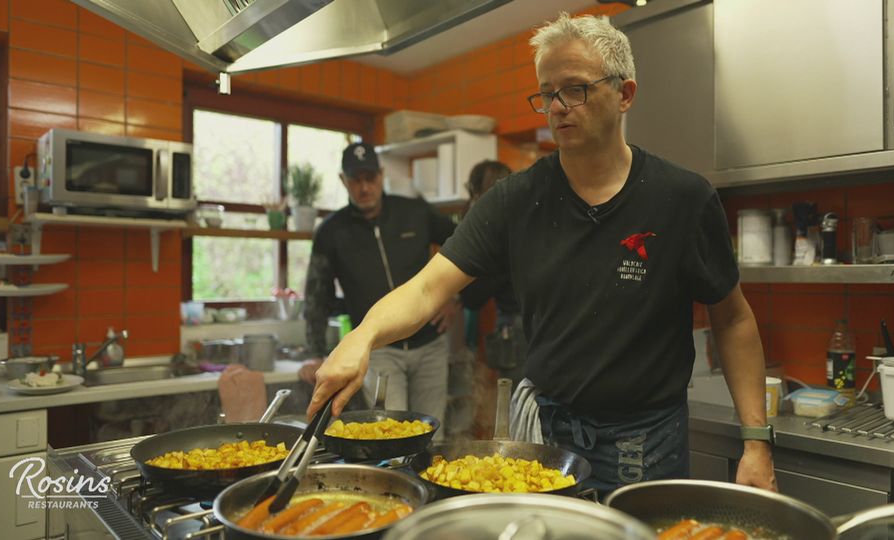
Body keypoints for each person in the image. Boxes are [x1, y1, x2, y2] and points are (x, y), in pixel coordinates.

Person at [307, 13, 775, 494]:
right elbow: (429, 288)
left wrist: (756, 442)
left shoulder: (682, 198)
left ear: (625, 94)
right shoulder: (515, 200)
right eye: (547, 94)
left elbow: (733, 319)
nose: (557, 107)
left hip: (646, 442)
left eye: (575, 89)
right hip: (549, 437)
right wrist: (362, 336)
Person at [299, 142, 458, 431]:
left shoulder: (415, 212)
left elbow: (465, 248)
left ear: (382, 174)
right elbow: (316, 294)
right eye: (355, 180)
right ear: (343, 181)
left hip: (430, 345)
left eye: (370, 178)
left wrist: (453, 296)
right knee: (388, 433)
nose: (364, 187)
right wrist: (315, 350)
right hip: (378, 350)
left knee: (432, 434)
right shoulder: (331, 232)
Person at [458, 161, 526, 388]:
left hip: (520, 326)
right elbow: (472, 297)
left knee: (519, 410)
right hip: (529, 326)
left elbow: (472, 297)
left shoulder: (503, 227)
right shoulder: (518, 220)